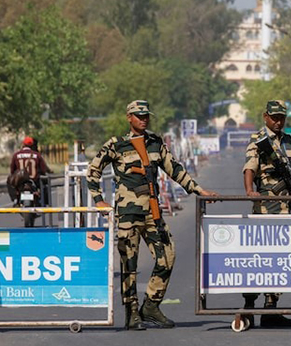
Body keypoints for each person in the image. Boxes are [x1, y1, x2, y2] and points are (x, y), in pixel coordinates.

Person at [87, 100, 218, 331]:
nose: (143, 119)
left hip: (153, 213)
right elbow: (93, 171)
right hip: (128, 215)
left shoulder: (156, 143)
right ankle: (132, 313)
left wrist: (199, 190)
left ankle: (151, 305)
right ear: (129, 117)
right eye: (139, 115)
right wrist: (99, 200)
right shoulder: (116, 145)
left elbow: (174, 169)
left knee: (167, 255)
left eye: (146, 115)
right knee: (129, 264)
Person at [242, 100, 291, 328]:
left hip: (287, 204)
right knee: (259, 257)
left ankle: (270, 308)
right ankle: (248, 306)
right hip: (267, 206)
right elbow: (250, 166)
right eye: (274, 117)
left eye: (281, 118)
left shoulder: (288, 140)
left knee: (282, 258)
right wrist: (249, 191)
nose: (278, 121)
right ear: (265, 116)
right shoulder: (258, 140)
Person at [7, 136, 52, 204]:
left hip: (21, 181)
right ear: (32, 145)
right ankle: (45, 201)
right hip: (34, 180)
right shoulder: (37, 155)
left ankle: (15, 199)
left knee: (9, 181)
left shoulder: (16, 155)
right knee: (46, 183)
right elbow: (43, 169)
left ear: (23, 144)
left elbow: (12, 170)